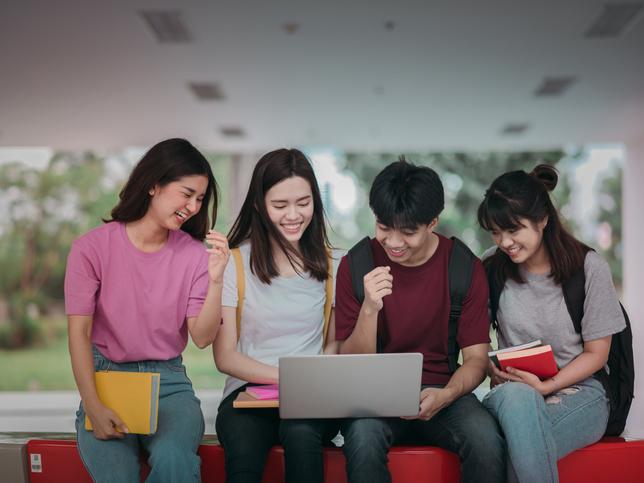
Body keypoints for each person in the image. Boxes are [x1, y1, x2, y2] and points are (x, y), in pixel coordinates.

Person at [65, 138, 229, 482]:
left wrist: (216, 281)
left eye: (200, 198)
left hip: (169, 385)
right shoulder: (90, 249)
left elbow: (201, 337)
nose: (194, 206)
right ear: (154, 185)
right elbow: (78, 333)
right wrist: (93, 405)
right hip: (106, 381)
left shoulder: (196, 257)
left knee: (175, 462)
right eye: (187, 193)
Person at [334, 157, 505, 483]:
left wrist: (446, 395)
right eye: (384, 228)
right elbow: (350, 364)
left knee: (485, 440)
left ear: (433, 223)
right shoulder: (356, 265)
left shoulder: (464, 268)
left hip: (445, 392)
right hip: (375, 396)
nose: (394, 243)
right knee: (362, 439)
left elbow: (476, 361)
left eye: (409, 232)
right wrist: (369, 308)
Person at [477, 164, 626, 483]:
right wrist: (493, 367)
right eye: (496, 231)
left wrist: (547, 385)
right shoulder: (491, 266)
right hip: (512, 391)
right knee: (520, 402)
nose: (505, 241)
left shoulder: (588, 268)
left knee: (514, 447)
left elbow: (597, 353)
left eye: (513, 229)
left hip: (581, 392)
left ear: (543, 219)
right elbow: (474, 336)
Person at [213, 148, 342, 483]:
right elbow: (225, 357)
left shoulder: (334, 265)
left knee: (302, 437)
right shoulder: (234, 264)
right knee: (243, 456)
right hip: (246, 393)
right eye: (280, 205)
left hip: (310, 395)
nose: (293, 215)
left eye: (303, 202)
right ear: (259, 205)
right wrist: (287, 377)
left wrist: (307, 379)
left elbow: (334, 345)